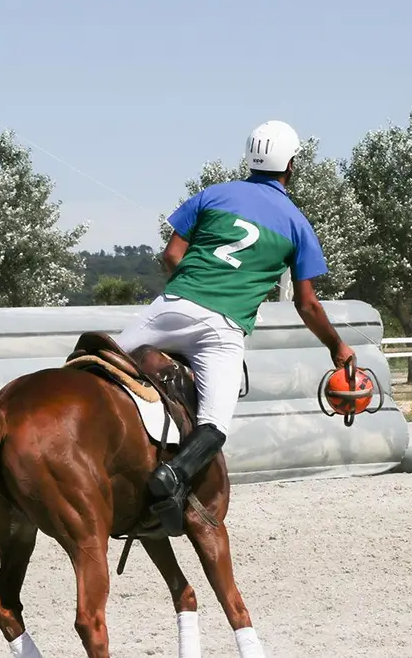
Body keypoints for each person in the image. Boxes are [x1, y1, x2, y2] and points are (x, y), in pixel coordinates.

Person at [115, 119, 356, 535]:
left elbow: (172, 255)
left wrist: (189, 292)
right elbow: (308, 304)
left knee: (100, 365)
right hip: (221, 330)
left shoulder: (213, 194)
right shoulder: (297, 223)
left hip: (173, 306)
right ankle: (171, 477)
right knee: (213, 426)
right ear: (291, 165)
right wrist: (338, 347)